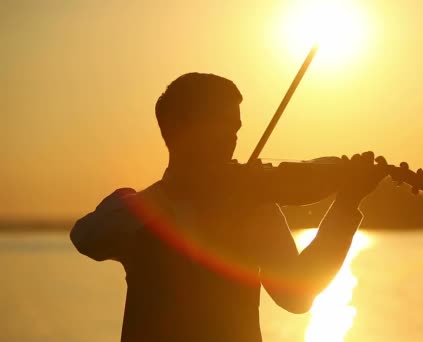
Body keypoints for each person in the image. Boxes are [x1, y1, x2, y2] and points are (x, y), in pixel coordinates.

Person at [70, 72, 386, 341]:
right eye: (220, 128)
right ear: (178, 128)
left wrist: (346, 206)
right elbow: (85, 236)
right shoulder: (139, 212)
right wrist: (175, 196)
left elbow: (297, 295)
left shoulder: (251, 205)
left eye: (235, 130)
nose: (232, 140)